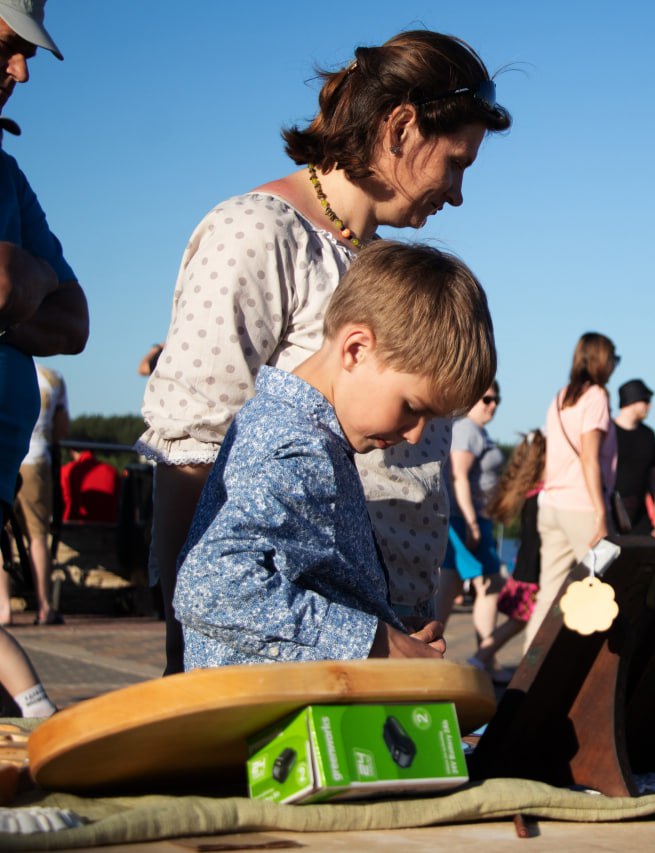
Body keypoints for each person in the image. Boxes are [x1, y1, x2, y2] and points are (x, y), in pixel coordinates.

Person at [138, 30, 511, 674]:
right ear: (399, 128)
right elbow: (191, 455)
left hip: (370, 654)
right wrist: (184, 653)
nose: (456, 193)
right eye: (455, 162)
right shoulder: (256, 234)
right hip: (291, 657)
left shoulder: (387, 269)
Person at [173, 241, 495, 669]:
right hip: (271, 722)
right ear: (356, 350)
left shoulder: (287, 423)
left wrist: (392, 630)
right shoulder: (299, 447)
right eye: (413, 408)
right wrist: (381, 644)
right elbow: (210, 586)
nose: (416, 436)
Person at [0, 0, 88, 558]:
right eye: (6, 46)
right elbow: (5, 286)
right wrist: (27, 275)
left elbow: (73, 322)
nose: (22, 72)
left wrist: (17, 275)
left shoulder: (7, 173)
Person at [529, 333, 619, 646]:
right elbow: (589, 458)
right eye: (613, 358)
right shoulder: (596, 397)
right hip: (581, 506)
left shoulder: (560, 397)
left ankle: (528, 680)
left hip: (551, 503)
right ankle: (607, 670)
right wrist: (601, 513)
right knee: (608, 587)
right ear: (601, 360)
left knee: (548, 594)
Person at [436, 381, 509, 672]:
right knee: (488, 585)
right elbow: (458, 477)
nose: (492, 405)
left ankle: (424, 653)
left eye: (496, 400)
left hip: (474, 519)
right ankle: (484, 659)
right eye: (487, 399)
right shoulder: (466, 429)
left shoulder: (477, 431)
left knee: (453, 586)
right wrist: (470, 522)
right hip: (467, 520)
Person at [475, 429, 547, 667]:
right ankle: (479, 659)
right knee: (520, 623)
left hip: (527, 568)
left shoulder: (532, 492)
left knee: (519, 623)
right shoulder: (543, 496)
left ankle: (479, 659)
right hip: (534, 572)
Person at [5, 363, 66, 625]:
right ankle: (44, 607)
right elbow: (62, 428)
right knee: (38, 537)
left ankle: (3, 608)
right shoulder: (52, 377)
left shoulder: (6, 362)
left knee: (3, 536)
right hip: (36, 458)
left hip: (5, 456)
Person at [612, 378, 655, 538]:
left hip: (641, 517)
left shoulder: (648, 435)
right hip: (612, 512)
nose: (650, 406)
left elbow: (654, 480)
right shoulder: (608, 433)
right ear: (632, 400)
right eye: (646, 400)